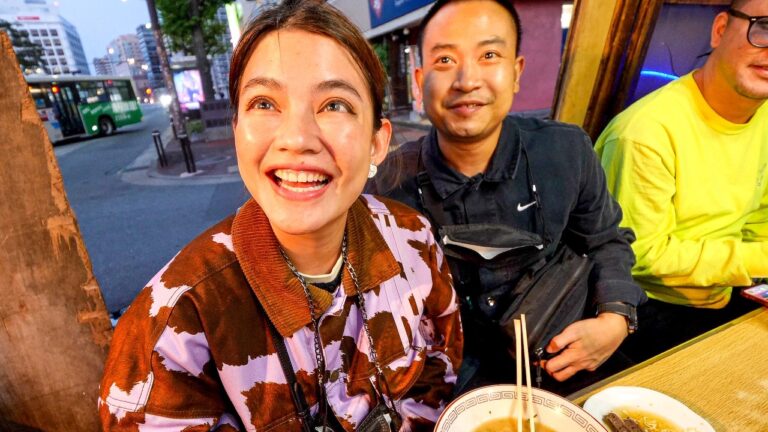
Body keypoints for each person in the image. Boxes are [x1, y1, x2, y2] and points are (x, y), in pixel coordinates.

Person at [98, 1, 462, 431]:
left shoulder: (412, 239)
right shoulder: (177, 324)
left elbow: (442, 363)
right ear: (237, 132)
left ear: (377, 144)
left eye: (335, 105)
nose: (297, 138)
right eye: (265, 103)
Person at [368, 0, 645, 394]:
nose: (467, 79)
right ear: (419, 79)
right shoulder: (387, 185)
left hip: (559, 364)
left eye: (489, 55)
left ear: (515, 72)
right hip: (448, 385)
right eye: (445, 60)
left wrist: (616, 317)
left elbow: (606, 241)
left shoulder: (565, 152)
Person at [595, 0, 767, 362]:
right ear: (720, 29)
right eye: (763, 27)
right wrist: (758, 260)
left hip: (730, 294)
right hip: (642, 311)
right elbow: (640, 256)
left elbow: (759, 221)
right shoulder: (643, 133)